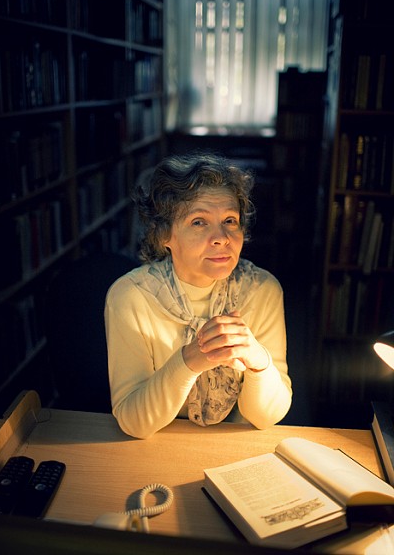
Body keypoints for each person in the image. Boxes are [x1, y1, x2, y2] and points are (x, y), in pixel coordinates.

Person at [105, 153, 292, 439]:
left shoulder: (263, 290)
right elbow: (134, 422)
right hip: (158, 445)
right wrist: (190, 360)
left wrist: (258, 361)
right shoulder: (130, 297)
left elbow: (267, 417)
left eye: (230, 220)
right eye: (199, 222)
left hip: (233, 443)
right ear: (164, 235)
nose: (222, 237)